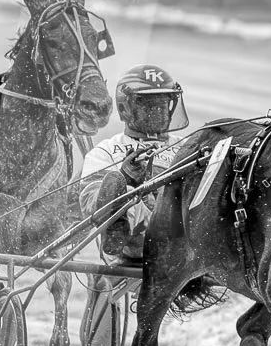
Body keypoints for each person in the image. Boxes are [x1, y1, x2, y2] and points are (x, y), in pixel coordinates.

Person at [78, 64, 189, 265]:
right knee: (125, 190)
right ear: (125, 108)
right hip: (134, 245)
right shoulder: (107, 150)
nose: (157, 111)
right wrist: (126, 178)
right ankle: (117, 225)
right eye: (148, 105)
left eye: (163, 104)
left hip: (183, 232)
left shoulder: (187, 146)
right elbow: (87, 200)